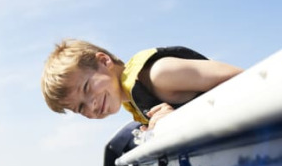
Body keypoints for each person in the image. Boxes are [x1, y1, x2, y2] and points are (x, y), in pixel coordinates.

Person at [41, 39, 243, 130]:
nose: (91, 105)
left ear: (104, 61)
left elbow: (246, 79)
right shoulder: (134, 102)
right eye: (81, 107)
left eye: (86, 88)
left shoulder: (160, 74)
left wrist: (180, 119)